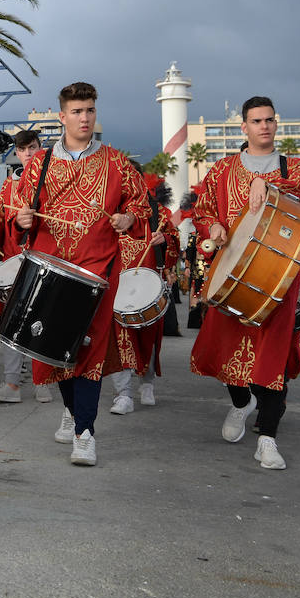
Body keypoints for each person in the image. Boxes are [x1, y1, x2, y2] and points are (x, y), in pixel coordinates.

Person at [13, 83, 148, 467]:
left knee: (87, 350)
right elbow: (20, 208)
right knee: (54, 350)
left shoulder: (117, 162)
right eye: (76, 111)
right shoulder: (38, 163)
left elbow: (139, 204)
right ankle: (73, 412)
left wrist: (129, 217)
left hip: (98, 269)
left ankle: (84, 433)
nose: (84, 118)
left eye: (89, 110)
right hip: (49, 269)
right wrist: (19, 218)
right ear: (62, 116)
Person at [189, 96, 300, 472]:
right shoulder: (223, 169)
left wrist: (264, 180)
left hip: (279, 277)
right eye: (256, 121)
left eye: (269, 120)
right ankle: (240, 404)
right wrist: (212, 226)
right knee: (228, 352)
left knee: (271, 359)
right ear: (243, 127)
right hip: (231, 276)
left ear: (276, 124)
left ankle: (268, 439)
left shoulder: (293, 168)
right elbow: (204, 209)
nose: (264, 126)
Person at [0, 129, 53, 405]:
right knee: (10, 321)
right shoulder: (10, 185)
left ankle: (41, 381)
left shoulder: (52, 180)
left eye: (32, 147)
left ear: (40, 147)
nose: (28, 153)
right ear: (17, 152)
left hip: (45, 260)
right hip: (14, 262)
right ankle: (11, 383)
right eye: (23, 150)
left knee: (40, 320)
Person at [107, 171, 179, 416]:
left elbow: (175, 245)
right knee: (119, 342)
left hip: (149, 288)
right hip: (117, 289)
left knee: (148, 339)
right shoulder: (111, 212)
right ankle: (123, 394)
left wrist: (165, 240)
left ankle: (147, 383)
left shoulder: (159, 213)